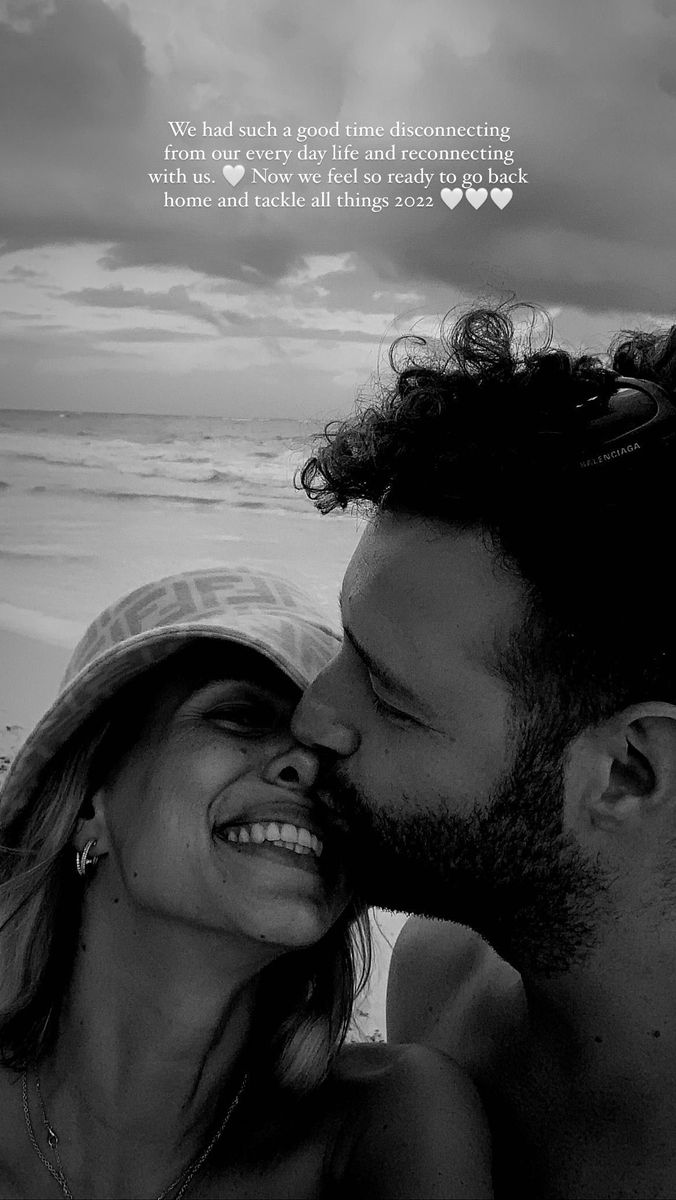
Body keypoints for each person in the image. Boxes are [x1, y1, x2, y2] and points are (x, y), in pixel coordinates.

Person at [291, 303, 676, 1199]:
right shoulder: (437, 988)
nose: (311, 716)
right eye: (346, 642)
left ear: (631, 769)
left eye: (388, 692)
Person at [0, 565, 491, 1200]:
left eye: (340, 756)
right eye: (239, 717)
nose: (308, 765)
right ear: (92, 801)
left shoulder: (390, 1127)